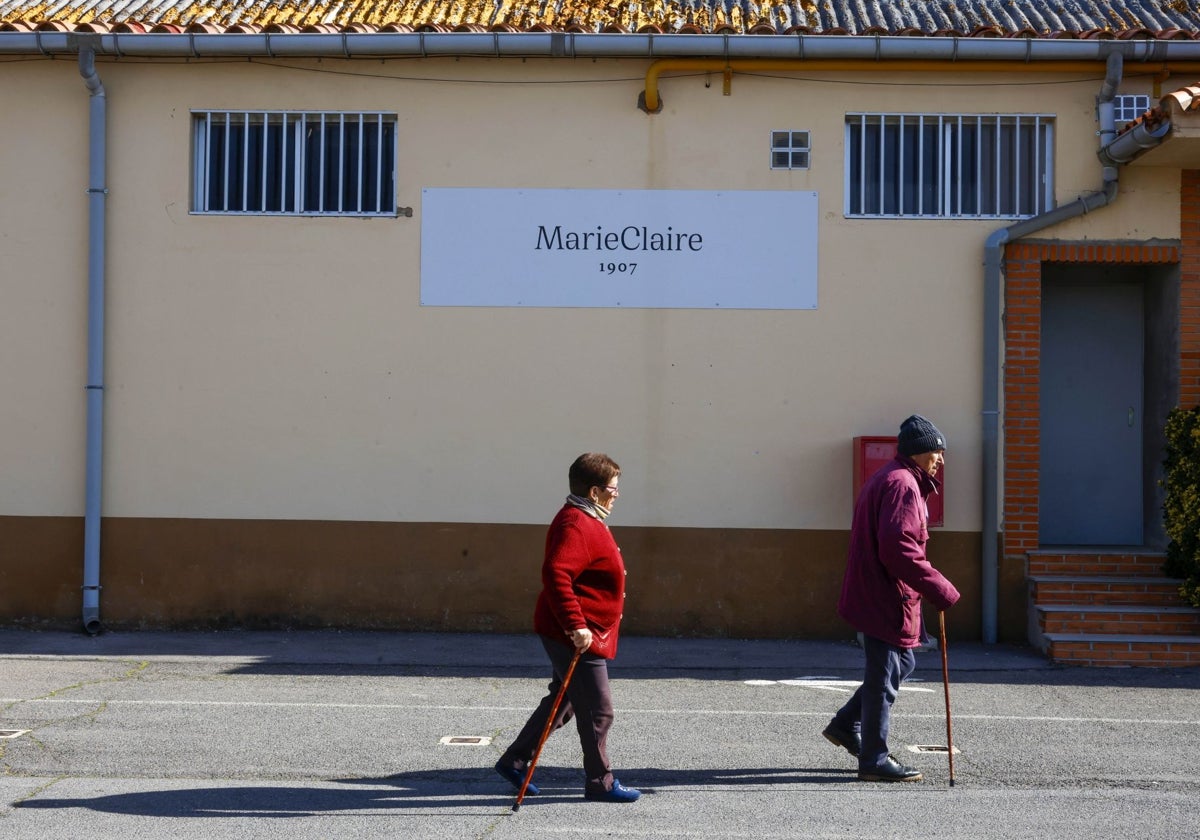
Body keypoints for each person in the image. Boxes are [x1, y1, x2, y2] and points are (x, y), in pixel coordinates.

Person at [494, 453, 640, 803]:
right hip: (574, 633)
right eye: (612, 488)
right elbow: (557, 575)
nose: (617, 494)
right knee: (598, 709)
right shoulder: (575, 523)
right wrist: (576, 625)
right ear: (594, 491)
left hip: (580, 629)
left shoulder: (588, 516)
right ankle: (599, 782)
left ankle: (513, 761)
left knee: (565, 700)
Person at [822, 415, 961, 782]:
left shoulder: (896, 478)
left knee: (901, 664)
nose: (941, 459)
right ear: (919, 451)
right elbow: (898, 549)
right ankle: (874, 759)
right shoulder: (902, 485)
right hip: (884, 596)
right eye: (937, 451)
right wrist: (939, 587)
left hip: (880, 593)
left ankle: (843, 724)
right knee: (884, 674)